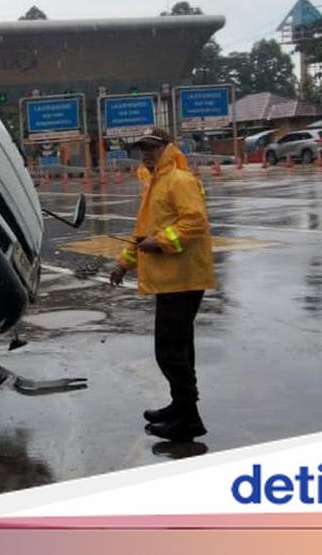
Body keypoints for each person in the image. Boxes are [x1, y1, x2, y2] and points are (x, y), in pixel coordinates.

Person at [109, 128, 217, 442]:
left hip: (183, 278)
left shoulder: (179, 180)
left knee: (169, 352)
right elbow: (145, 232)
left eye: (152, 147)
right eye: (142, 148)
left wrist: (163, 242)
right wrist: (123, 262)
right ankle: (181, 407)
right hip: (171, 278)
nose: (146, 153)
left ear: (168, 148)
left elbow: (195, 222)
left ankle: (189, 417)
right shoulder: (154, 183)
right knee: (179, 349)